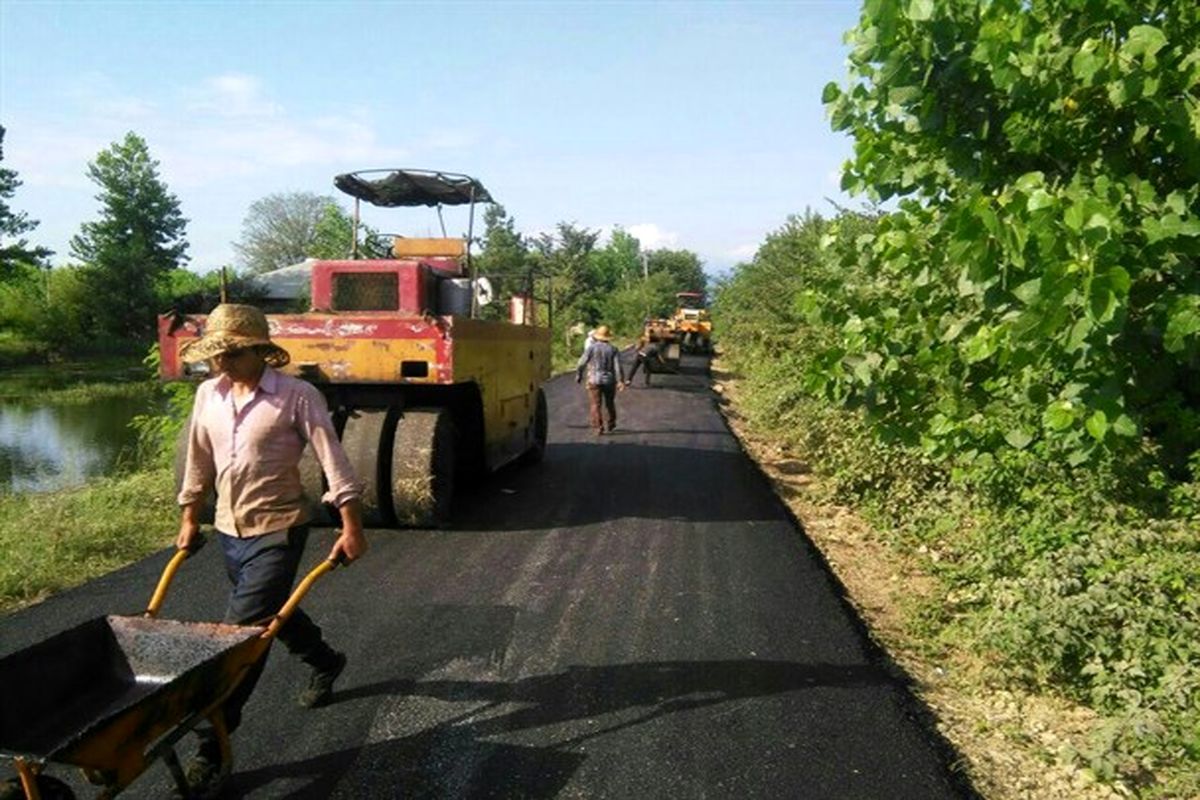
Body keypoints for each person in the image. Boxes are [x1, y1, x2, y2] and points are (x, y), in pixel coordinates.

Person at [174, 303, 367, 798]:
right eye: (216, 354)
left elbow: (332, 456)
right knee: (271, 615)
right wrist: (191, 517)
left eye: (232, 354)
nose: (221, 363)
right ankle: (325, 660)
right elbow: (198, 458)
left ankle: (210, 747)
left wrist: (350, 524)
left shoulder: (296, 396)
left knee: (242, 638)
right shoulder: (207, 395)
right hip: (227, 530)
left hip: (279, 528)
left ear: (260, 351)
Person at [575, 324, 625, 435]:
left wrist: (579, 375)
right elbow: (618, 367)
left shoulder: (591, 348)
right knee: (609, 403)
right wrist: (620, 380)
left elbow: (581, 363)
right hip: (609, 381)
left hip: (594, 379)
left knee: (595, 404)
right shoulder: (613, 349)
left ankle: (598, 427)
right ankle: (611, 423)